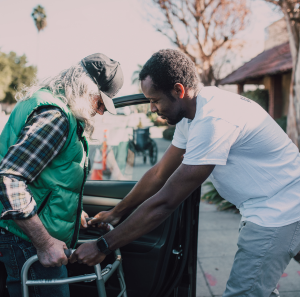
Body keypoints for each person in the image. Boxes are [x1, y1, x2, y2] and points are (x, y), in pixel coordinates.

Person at [70, 49, 300, 297]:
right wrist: (116, 213)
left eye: (156, 100)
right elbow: (159, 174)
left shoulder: (214, 119)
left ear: (179, 91)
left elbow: (166, 201)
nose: (152, 108)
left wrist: (104, 245)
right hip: (281, 204)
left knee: (245, 292)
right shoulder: (193, 114)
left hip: (278, 211)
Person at [0, 53, 123, 297]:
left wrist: (72, 212)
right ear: (84, 88)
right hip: (27, 241)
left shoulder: (51, 106)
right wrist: (44, 243)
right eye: (100, 103)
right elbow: (10, 179)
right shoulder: (55, 117)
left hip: (27, 234)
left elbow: (48, 178)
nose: (100, 112)